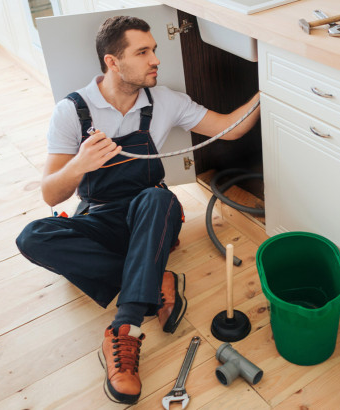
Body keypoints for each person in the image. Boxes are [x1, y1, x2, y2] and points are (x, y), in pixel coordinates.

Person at [15, 15, 260, 405]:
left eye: (155, 51)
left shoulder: (165, 101)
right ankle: (154, 282)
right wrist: (79, 164)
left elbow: (230, 128)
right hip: (100, 215)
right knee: (32, 237)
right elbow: (49, 195)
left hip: (152, 215)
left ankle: (125, 329)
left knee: (159, 197)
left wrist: (272, 87)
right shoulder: (73, 111)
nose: (155, 60)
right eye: (142, 52)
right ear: (113, 62)